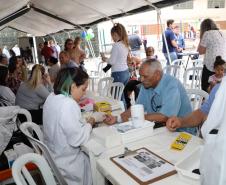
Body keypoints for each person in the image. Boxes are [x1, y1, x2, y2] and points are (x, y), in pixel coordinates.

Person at [104, 59, 196, 134]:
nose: (141, 79)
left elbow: (165, 117)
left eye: (145, 76)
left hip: (182, 132)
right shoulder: (147, 84)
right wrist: (117, 118)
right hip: (162, 128)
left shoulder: (171, 85)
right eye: (140, 76)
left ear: (157, 75)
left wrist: (138, 117)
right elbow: (137, 108)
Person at [43, 68, 94, 185]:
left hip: (54, 158)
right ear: (73, 86)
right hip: (69, 166)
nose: (84, 93)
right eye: (83, 89)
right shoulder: (68, 104)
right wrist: (90, 123)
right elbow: (77, 139)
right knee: (99, 161)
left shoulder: (51, 97)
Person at [197, 18, 226, 92]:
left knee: (206, 91)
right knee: (220, 92)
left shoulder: (207, 34)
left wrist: (201, 37)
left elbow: (200, 51)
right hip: (222, 66)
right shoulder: (222, 33)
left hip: (210, 67)